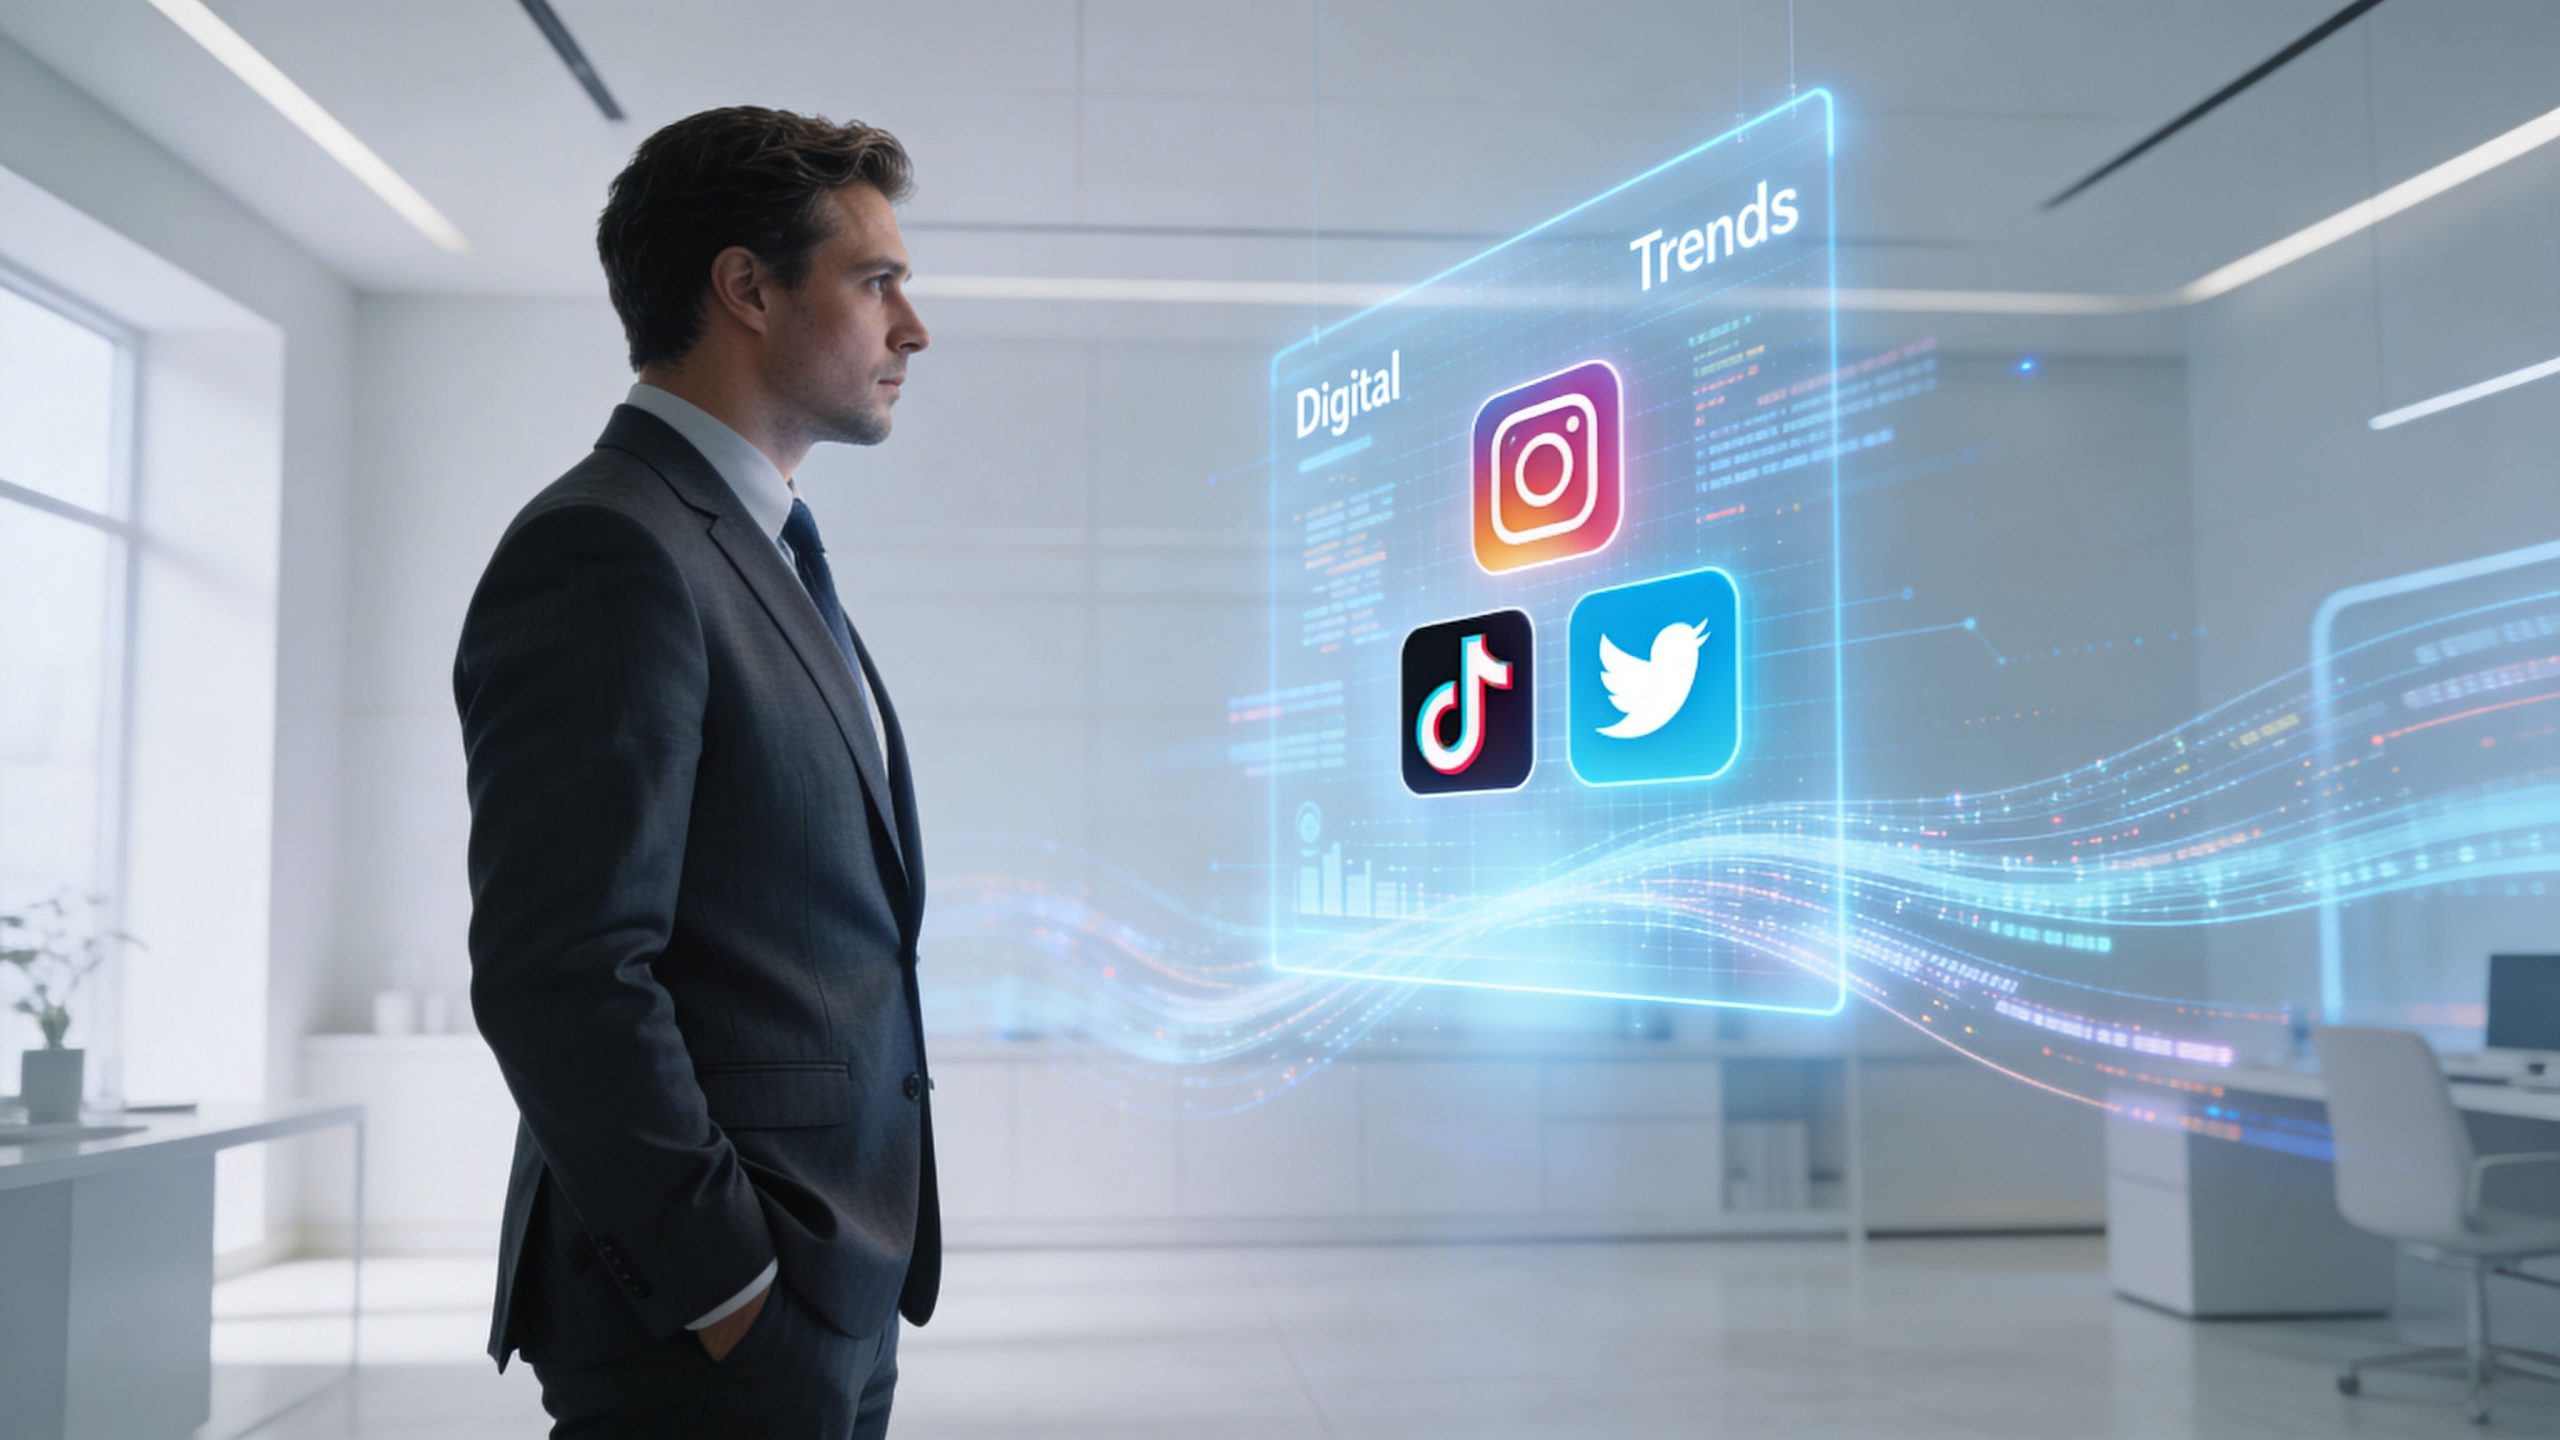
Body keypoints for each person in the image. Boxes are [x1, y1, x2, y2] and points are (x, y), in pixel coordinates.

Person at [452, 105, 937, 1439]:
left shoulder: (755, 544)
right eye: (877, 280)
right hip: (706, 1318)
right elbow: (564, 975)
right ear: (745, 289)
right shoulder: (610, 548)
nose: (914, 328)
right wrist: (733, 1289)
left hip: (828, 1281)